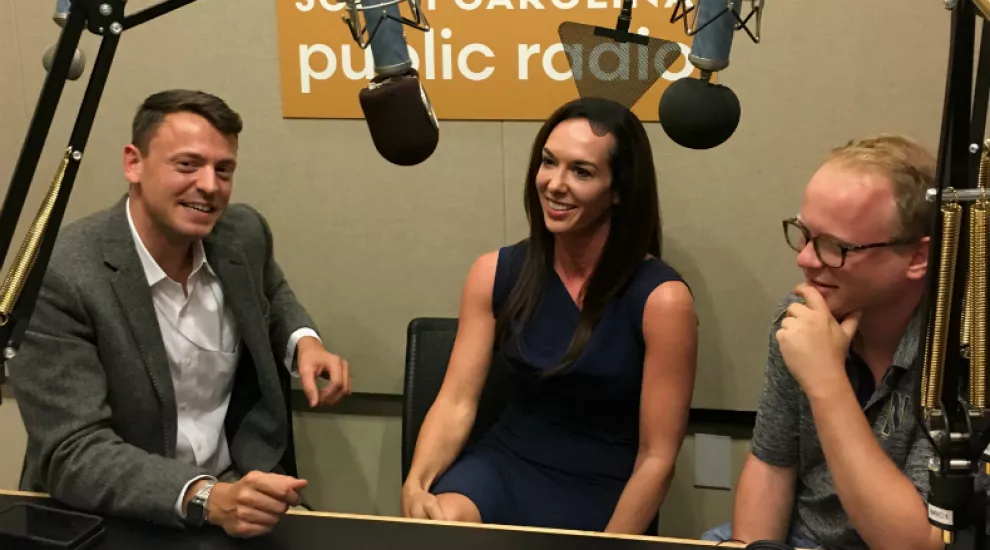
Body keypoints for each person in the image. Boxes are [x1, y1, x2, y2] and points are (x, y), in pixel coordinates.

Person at [7, 89, 352, 538]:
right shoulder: (58, 275)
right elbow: (73, 451)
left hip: (235, 487)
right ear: (134, 163)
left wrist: (303, 340)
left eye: (223, 169)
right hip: (110, 512)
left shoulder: (242, 234)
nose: (209, 186)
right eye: (187, 165)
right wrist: (206, 498)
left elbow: (272, 291)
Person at [400, 97, 698, 535]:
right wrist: (418, 483)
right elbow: (456, 400)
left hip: (604, 485)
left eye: (581, 171)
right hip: (506, 464)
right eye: (548, 162)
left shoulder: (663, 300)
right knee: (444, 526)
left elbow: (657, 457)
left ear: (618, 190)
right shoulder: (492, 273)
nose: (555, 184)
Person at [701, 134, 940, 550]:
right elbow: (771, 467)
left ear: (918, 257)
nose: (806, 260)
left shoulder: (963, 352)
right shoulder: (801, 317)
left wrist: (826, 380)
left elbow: (916, 543)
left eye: (835, 247)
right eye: (805, 234)